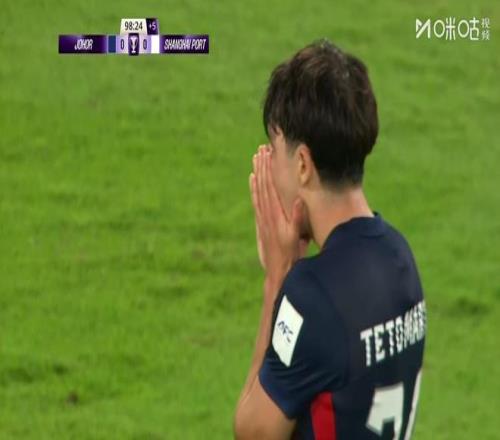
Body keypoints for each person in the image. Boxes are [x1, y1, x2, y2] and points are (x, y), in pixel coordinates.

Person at [233, 40, 426, 440]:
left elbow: (252, 432)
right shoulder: (400, 257)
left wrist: (278, 277)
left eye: (275, 151)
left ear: (303, 164)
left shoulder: (312, 295)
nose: (269, 167)